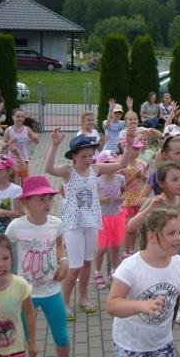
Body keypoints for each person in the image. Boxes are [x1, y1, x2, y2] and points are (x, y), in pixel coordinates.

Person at [45, 128, 134, 320]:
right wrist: (54, 145)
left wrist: (128, 146)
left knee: (87, 263)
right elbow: (49, 169)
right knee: (75, 266)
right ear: (74, 156)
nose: (88, 159)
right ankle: (64, 303)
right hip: (74, 225)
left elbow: (122, 164)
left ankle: (83, 299)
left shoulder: (96, 169)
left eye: (90, 155)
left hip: (91, 222)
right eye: (84, 156)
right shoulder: (68, 171)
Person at [107, 208, 180, 357]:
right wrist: (142, 306)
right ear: (151, 237)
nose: (179, 238)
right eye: (171, 233)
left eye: (179, 232)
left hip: (163, 343)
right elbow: (112, 305)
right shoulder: (131, 267)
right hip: (131, 345)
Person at [6, 175, 70, 357]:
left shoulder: (56, 223)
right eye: (41, 198)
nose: (47, 203)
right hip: (26, 294)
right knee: (28, 340)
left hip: (52, 290)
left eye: (49, 198)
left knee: (63, 337)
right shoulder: (16, 227)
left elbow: (59, 245)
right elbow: (4, 251)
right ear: (26, 202)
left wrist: (64, 261)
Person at [93, 151, 127, 290]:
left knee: (115, 246)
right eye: (109, 164)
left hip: (117, 216)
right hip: (103, 218)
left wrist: (122, 198)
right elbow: (91, 199)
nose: (112, 166)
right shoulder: (96, 181)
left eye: (114, 163)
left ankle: (114, 270)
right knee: (101, 248)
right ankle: (97, 272)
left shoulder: (120, 178)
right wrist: (100, 200)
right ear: (101, 166)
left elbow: (123, 191)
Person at [119, 138, 149, 256]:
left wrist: (143, 177)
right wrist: (134, 177)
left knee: (135, 228)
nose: (138, 151)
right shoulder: (121, 165)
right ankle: (126, 252)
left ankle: (132, 250)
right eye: (135, 148)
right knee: (128, 228)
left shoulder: (143, 164)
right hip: (126, 201)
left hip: (138, 200)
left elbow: (146, 181)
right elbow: (121, 186)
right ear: (126, 148)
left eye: (139, 148)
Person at [3, 108, 39, 180]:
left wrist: (35, 139)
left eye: (22, 117)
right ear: (13, 117)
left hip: (24, 158)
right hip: (12, 159)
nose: (20, 118)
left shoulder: (27, 129)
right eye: (18, 116)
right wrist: (10, 142)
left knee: (24, 179)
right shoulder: (8, 130)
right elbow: (2, 147)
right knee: (14, 180)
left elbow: (36, 142)